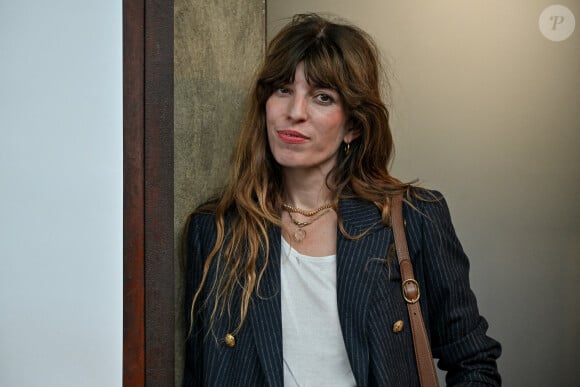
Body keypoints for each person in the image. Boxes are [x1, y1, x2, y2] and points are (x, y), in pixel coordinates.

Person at [183, 13, 501, 387]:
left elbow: (474, 363)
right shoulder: (216, 228)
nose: (294, 113)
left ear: (353, 124)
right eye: (283, 89)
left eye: (322, 97)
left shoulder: (414, 218)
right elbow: (199, 373)